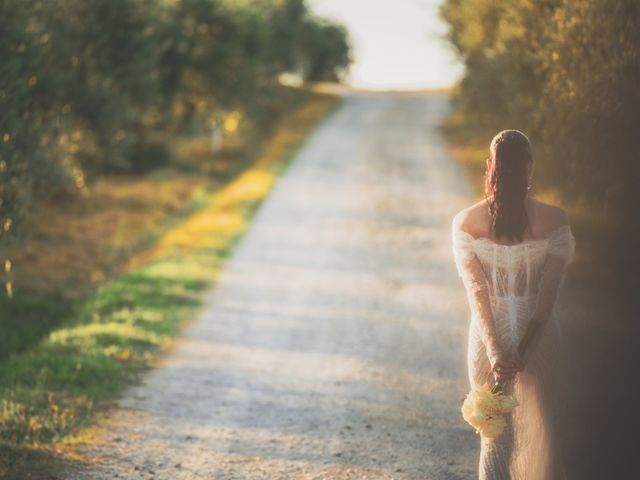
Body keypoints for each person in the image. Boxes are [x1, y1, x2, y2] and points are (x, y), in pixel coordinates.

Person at [451, 130, 575, 479]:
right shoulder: (556, 220)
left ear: (489, 166)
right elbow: (547, 297)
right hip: (542, 341)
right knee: (540, 433)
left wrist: (495, 352)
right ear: (529, 168)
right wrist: (523, 349)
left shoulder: (465, 223)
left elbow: (478, 293)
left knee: (494, 437)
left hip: (488, 335)